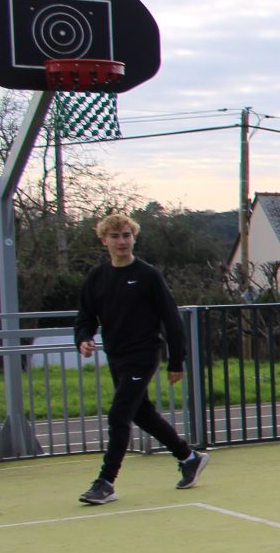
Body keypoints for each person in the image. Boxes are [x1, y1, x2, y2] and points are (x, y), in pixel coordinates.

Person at [72, 211, 207, 504]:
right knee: (141, 412)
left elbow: (171, 320)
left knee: (119, 414)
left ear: (134, 237)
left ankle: (105, 482)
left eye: (126, 235)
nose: (122, 241)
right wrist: (83, 340)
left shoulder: (148, 276)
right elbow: (85, 317)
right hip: (117, 356)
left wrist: (176, 361)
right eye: (115, 236)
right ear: (103, 240)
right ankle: (188, 456)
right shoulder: (97, 277)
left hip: (144, 354)